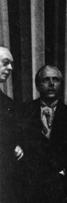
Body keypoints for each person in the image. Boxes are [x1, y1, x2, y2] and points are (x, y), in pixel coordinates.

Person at [19, 66, 67, 203]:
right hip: (31, 180)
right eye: (46, 80)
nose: (51, 84)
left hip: (61, 181)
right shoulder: (24, 111)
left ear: (61, 85)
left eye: (56, 80)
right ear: (37, 86)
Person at [0, 46, 26, 203]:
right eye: (5, 63)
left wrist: (16, 145)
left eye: (11, 64)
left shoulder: (7, 103)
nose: (10, 68)